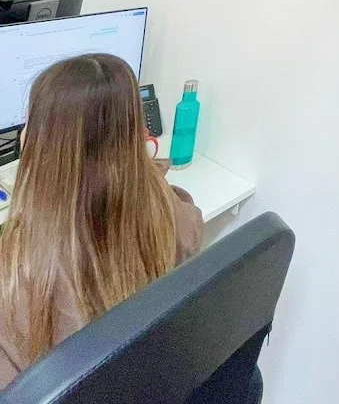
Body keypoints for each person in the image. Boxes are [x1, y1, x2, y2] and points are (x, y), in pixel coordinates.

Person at [0, 54, 203, 388]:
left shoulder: (15, 276)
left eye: (29, 121)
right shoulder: (171, 215)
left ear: (42, 146)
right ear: (134, 135)